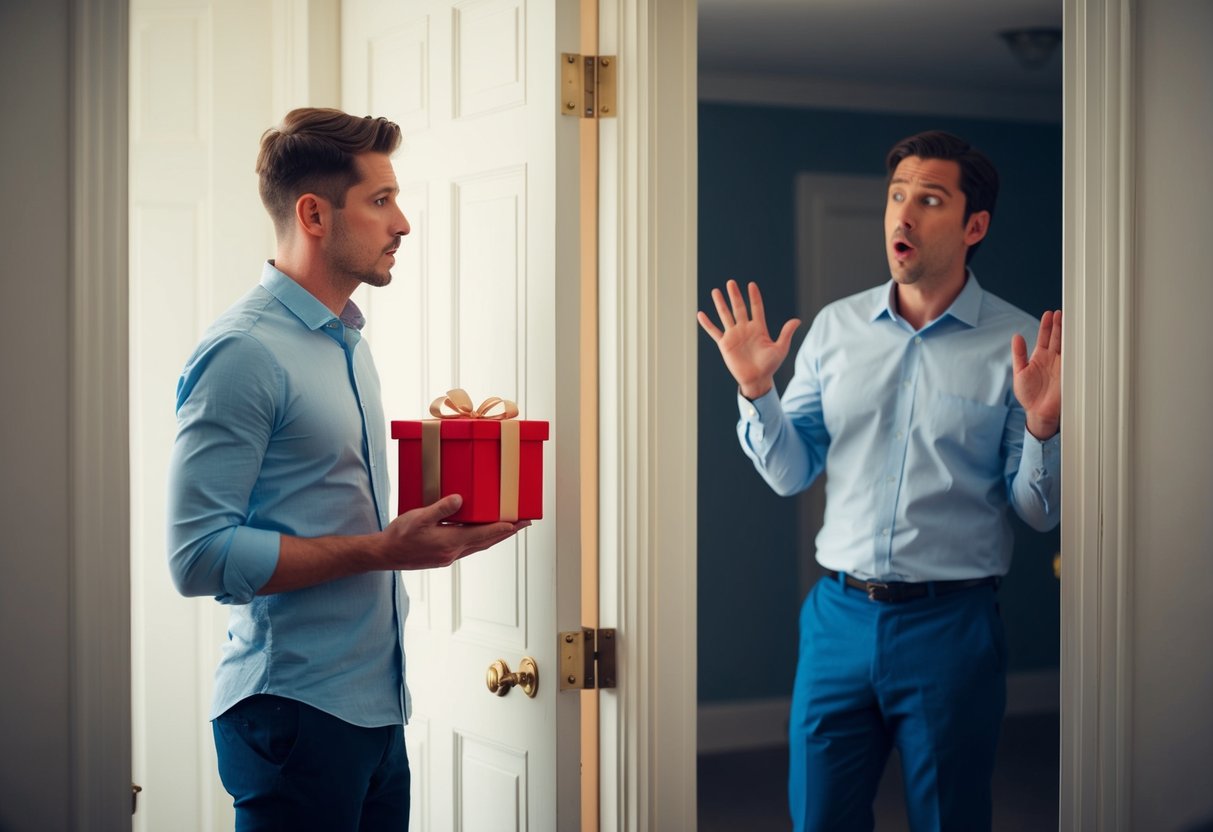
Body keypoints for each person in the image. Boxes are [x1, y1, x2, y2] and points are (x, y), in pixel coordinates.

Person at [166, 107, 527, 831]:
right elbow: (197, 557)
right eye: (381, 200)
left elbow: (320, 496)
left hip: (375, 710)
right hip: (293, 715)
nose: (403, 224)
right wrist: (382, 551)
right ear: (314, 215)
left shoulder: (346, 342)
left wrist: (454, 472)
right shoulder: (243, 353)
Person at [697, 130, 1061, 831]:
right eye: (897, 196)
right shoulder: (835, 330)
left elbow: (1036, 513)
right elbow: (790, 472)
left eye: (928, 199)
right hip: (838, 618)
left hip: (951, 627)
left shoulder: (1017, 346)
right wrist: (755, 392)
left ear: (973, 225)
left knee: (948, 819)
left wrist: (1043, 429)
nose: (903, 215)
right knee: (819, 818)